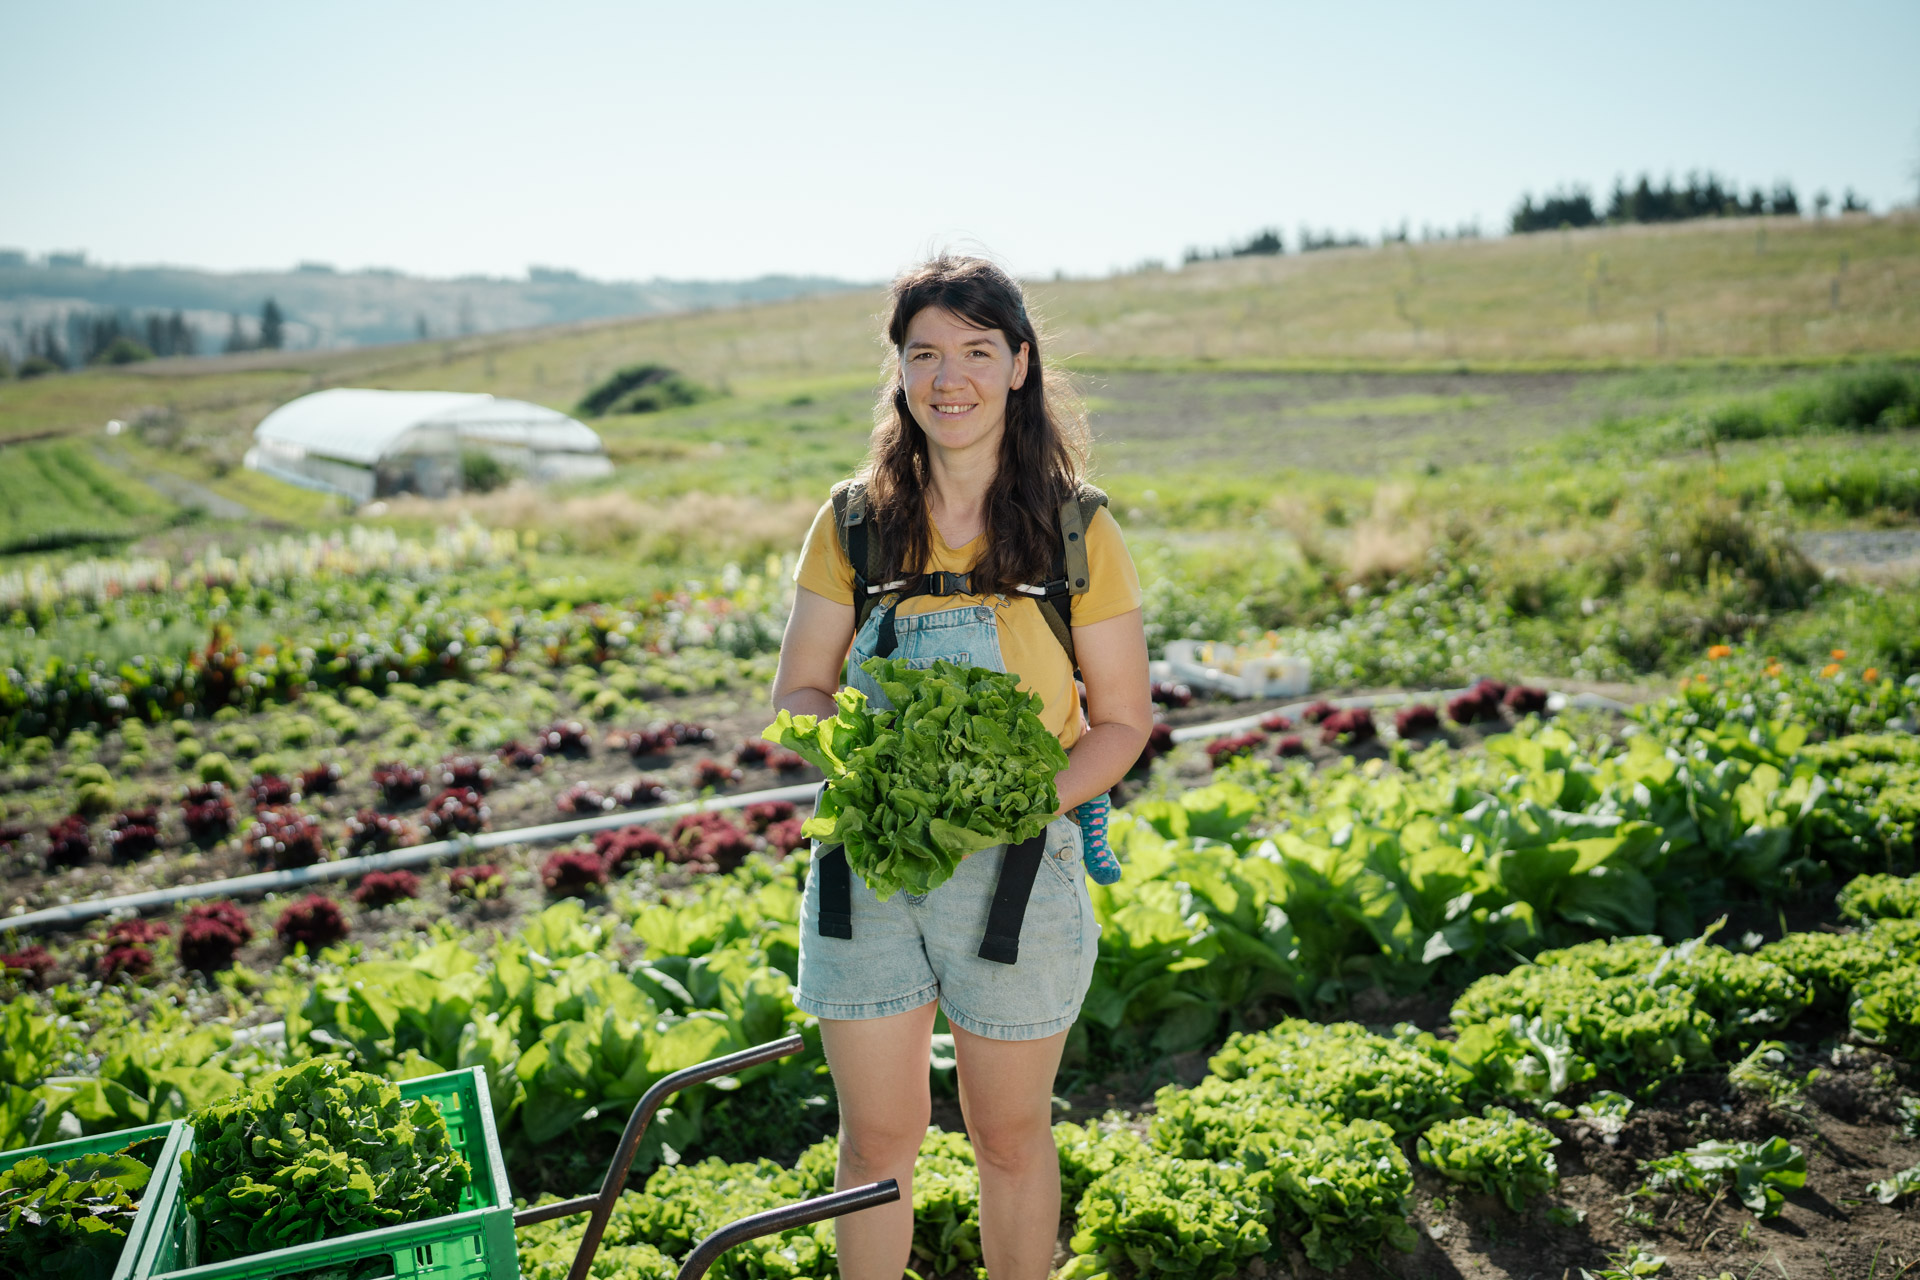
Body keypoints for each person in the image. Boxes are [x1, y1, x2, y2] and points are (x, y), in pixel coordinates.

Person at [768, 254, 1151, 1280]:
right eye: (924, 352)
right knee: (876, 1144)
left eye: (977, 351)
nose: (950, 378)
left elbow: (1121, 723)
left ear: (1019, 364)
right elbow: (800, 692)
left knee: (1010, 1140)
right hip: (870, 867)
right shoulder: (855, 521)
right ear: (898, 370)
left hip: (1018, 875)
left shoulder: (1076, 527)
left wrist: (1020, 800)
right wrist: (880, 770)